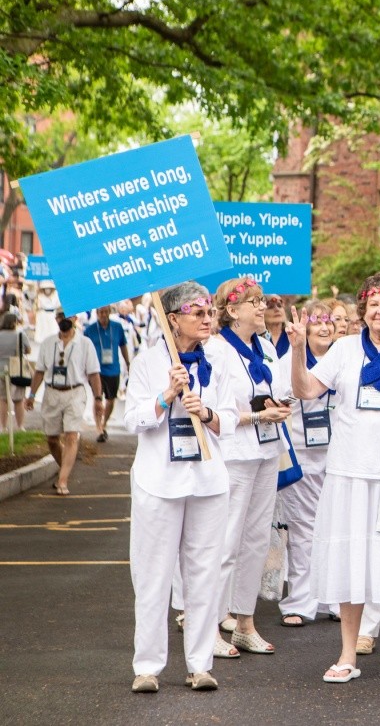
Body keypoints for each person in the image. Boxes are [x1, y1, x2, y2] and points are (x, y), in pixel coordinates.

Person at [289, 272, 380, 684]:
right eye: (373, 305)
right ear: (363, 312)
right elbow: (305, 390)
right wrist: (298, 350)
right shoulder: (345, 350)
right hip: (349, 471)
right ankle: (348, 654)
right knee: (351, 563)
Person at [125, 282, 237, 693]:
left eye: (210, 312)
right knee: (153, 574)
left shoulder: (220, 360)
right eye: (198, 313)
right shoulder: (147, 361)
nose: (208, 319)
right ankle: (148, 666)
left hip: (207, 479)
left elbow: (230, 417)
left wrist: (205, 412)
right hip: (158, 480)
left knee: (204, 574)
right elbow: (131, 419)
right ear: (173, 319)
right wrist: (165, 396)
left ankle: (200, 663)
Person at [207, 277, 292, 657]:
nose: (262, 307)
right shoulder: (217, 349)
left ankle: (244, 622)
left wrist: (277, 406)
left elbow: (263, 394)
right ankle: (208, 626)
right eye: (255, 302)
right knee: (226, 541)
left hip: (266, 451)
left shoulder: (263, 346)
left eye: (263, 301)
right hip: (235, 452)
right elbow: (211, 411)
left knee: (256, 540)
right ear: (232, 310)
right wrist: (258, 417)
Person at [272, 301, 336, 626]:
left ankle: (334, 597)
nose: (324, 327)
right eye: (318, 322)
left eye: (329, 322)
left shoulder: (344, 360)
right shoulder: (288, 361)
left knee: (336, 527)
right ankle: (300, 600)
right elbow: (280, 400)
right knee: (301, 529)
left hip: (337, 456)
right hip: (301, 453)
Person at [26, 315, 101, 495]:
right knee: (52, 438)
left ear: (75, 318)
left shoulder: (85, 343)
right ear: (56, 318)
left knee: (71, 435)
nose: (64, 319)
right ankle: (64, 469)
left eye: (68, 315)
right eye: (60, 315)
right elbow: (39, 371)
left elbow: (93, 374)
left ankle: (63, 480)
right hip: (52, 393)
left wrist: (98, 399)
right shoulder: (48, 343)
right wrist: (32, 394)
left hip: (75, 392)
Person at [84, 305, 131, 442]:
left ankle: (104, 423)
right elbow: (85, 350)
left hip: (113, 369)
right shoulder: (90, 330)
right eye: (100, 312)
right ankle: (98, 428)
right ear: (97, 313)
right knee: (97, 398)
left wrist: (128, 362)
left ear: (109, 312)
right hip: (96, 370)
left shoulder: (117, 327)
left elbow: (123, 345)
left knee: (111, 399)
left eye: (105, 312)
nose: (103, 315)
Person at [0, 312, 31, 432]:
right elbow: (28, 350)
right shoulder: (20, 335)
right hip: (17, 368)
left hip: (1, 369)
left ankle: (3, 426)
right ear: (15, 322)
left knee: (3, 399)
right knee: (18, 399)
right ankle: (20, 425)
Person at [34, 281, 61, 347]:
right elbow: (37, 307)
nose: (47, 290)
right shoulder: (40, 296)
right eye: (46, 288)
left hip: (53, 314)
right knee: (43, 329)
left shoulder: (56, 295)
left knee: (53, 329)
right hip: (43, 315)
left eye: (49, 288)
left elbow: (58, 305)